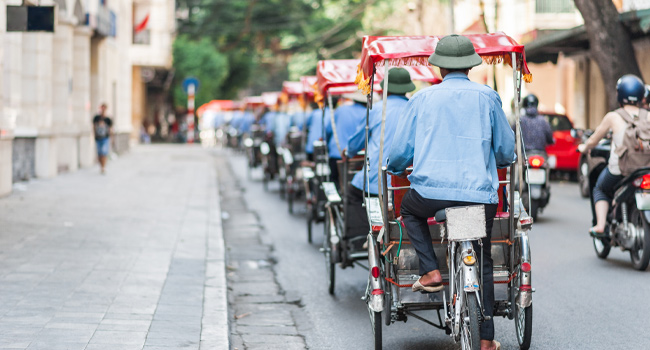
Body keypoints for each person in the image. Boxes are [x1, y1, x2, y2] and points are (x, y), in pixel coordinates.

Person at [387, 34, 515, 350]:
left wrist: (398, 167)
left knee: (409, 211)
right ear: (470, 66)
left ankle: (430, 271)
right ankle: (486, 341)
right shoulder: (488, 97)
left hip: (432, 194)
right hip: (478, 196)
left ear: (440, 67)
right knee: (482, 262)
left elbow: (399, 154)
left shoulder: (421, 99)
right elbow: (506, 150)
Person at [344, 67, 415, 246]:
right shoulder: (415, 106)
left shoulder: (376, 109)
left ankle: (359, 236)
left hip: (377, 178)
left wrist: (349, 153)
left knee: (352, 193)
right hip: (409, 181)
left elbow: (357, 142)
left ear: (385, 88)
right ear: (407, 87)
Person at [578, 74, 648, 235]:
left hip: (621, 170)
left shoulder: (613, 117)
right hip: (646, 169)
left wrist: (584, 147)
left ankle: (601, 225)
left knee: (600, 189)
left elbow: (594, 140)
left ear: (620, 94)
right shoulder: (649, 115)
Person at [325, 93, 367, 189]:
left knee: (335, 181)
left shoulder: (341, 110)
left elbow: (328, 129)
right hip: (360, 157)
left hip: (337, 153)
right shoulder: (368, 113)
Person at [92, 103, 113, 174]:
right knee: (99, 154)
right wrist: (94, 135)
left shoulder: (108, 119)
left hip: (105, 138)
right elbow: (94, 127)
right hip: (98, 138)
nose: (103, 109)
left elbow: (110, 129)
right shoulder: (96, 118)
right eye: (102, 108)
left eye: (104, 108)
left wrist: (112, 138)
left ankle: (103, 167)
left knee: (104, 153)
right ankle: (101, 166)